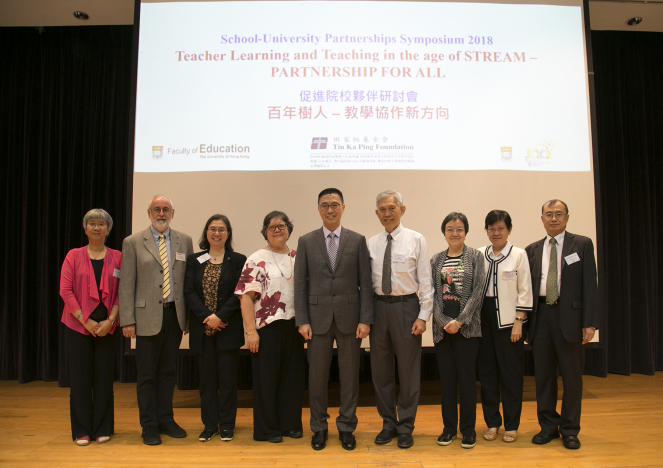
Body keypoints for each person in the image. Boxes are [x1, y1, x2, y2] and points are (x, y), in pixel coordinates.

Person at [294, 188, 374, 451]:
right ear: (318, 209)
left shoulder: (358, 240)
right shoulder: (306, 241)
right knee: (317, 378)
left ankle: (346, 427)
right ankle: (318, 428)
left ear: (343, 207)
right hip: (316, 320)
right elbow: (300, 286)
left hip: (351, 319)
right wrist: (302, 320)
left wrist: (365, 319)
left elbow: (365, 282)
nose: (330, 209)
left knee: (350, 377)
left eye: (335, 204)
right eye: (325, 205)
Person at [119, 195, 194, 446]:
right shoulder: (132, 242)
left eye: (165, 209)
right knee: (147, 374)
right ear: (149, 212)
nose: (161, 213)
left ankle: (166, 420)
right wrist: (127, 319)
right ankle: (149, 425)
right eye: (156, 209)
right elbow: (127, 283)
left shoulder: (185, 240)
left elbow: (188, 283)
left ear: (173, 212)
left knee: (168, 372)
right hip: (145, 317)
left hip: (174, 316)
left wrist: (188, 318)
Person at [525, 200, 598, 450]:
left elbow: (590, 285)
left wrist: (589, 323)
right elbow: (527, 289)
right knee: (544, 377)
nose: (553, 218)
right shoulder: (531, 249)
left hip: (571, 318)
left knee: (571, 377)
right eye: (548, 214)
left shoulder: (583, 244)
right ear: (542, 218)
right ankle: (548, 427)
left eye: (558, 214)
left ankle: (569, 429)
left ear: (567, 217)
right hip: (541, 316)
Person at [367, 190, 433, 449]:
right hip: (378, 309)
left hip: (407, 309)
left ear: (402, 210)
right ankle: (387, 424)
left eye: (392, 208)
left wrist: (423, 316)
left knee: (408, 372)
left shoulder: (416, 239)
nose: (387, 213)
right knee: (380, 372)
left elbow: (425, 281)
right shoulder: (370, 243)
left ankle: (406, 425)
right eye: (382, 209)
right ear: (376, 213)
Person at [235, 211, 305, 443]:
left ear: (289, 229)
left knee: (292, 380)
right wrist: (250, 332)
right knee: (266, 381)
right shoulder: (256, 259)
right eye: (272, 226)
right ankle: (268, 429)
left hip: (294, 328)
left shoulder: (299, 257)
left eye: (281, 225)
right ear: (265, 231)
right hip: (266, 330)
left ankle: (291, 425)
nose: (277, 230)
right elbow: (246, 297)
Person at [60, 209, 122, 446]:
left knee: (104, 379)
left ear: (108, 229)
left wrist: (111, 321)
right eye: (92, 224)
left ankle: (103, 428)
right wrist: (85, 320)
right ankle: (82, 430)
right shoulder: (73, 256)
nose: (97, 228)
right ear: (85, 229)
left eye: (102, 224)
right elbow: (65, 291)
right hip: (77, 326)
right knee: (80, 379)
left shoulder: (118, 257)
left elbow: (121, 293)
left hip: (107, 327)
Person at [184, 214, 246, 443]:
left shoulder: (238, 260)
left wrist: (219, 316)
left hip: (227, 329)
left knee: (228, 381)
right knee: (206, 382)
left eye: (221, 229)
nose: (217, 233)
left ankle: (227, 426)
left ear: (228, 234)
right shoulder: (194, 260)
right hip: (203, 331)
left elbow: (240, 291)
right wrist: (207, 317)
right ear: (206, 233)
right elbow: (189, 292)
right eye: (212, 229)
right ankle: (209, 425)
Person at [477, 210, 533, 443]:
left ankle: (511, 425)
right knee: (487, 374)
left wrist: (519, 322)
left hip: (509, 323)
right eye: (491, 229)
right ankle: (492, 423)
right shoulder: (479, 254)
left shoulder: (519, 255)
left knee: (510, 376)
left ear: (509, 230)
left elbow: (525, 290)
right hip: (483, 320)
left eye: (500, 228)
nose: (496, 233)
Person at [431, 212, 486, 449]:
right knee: (447, 383)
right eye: (450, 229)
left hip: (467, 331)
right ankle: (448, 429)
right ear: (444, 233)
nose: (455, 233)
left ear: (466, 232)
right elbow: (431, 293)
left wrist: (461, 321)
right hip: (442, 331)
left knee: (466, 382)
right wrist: (444, 321)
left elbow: (478, 291)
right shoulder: (435, 259)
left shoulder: (475, 257)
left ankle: (468, 431)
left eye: (460, 229)